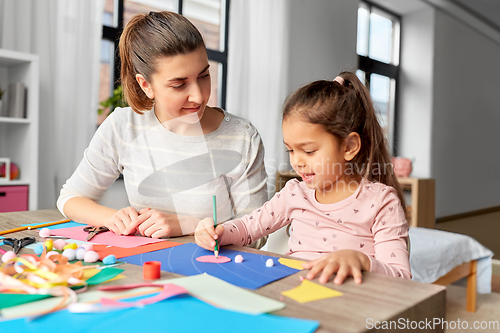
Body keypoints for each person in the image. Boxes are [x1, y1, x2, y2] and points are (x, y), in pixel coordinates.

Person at [57, 11, 268, 248]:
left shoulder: (241, 137)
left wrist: (188, 225)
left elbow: (257, 233)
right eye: (179, 84)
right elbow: (70, 198)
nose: (198, 96)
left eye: (204, 75)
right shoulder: (123, 126)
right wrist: (112, 217)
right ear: (146, 85)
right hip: (143, 267)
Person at [195, 71, 411, 284]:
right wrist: (219, 232)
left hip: (350, 304)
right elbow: (246, 229)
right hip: (295, 294)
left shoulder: (381, 201)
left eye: (308, 151)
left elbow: (401, 277)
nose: (297, 162)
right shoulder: (294, 193)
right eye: (290, 150)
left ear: (349, 146)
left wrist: (361, 261)